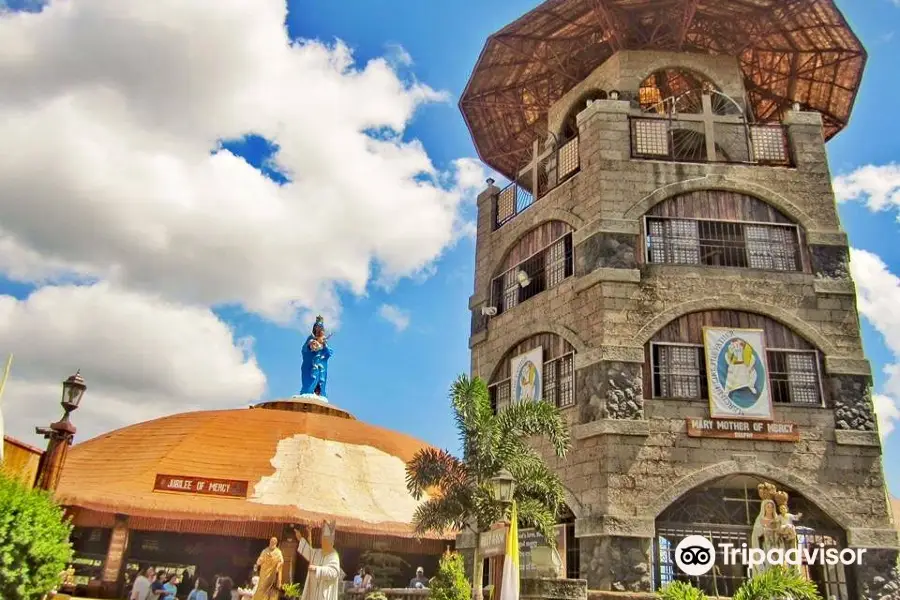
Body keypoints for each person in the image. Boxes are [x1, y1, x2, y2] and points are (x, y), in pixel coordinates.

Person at [292, 521, 342, 600]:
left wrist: (317, 569)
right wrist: (300, 538)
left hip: (324, 592)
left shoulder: (333, 555)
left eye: (325, 539)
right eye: (322, 539)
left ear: (331, 542)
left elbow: (334, 572)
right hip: (313, 590)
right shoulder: (318, 552)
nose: (323, 541)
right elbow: (309, 552)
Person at [299, 316, 334, 397]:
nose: (319, 330)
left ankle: (319, 394)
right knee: (310, 380)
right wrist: (311, 345)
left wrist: (324, 345)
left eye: (320, 328)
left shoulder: (323, 341)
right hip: (310, 366)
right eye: (317, 327)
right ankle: (308, 392)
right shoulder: (310, 339)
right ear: (314, 328)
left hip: (321, 366)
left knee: (320, 380)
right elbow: (304, 350)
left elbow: (329, 353)